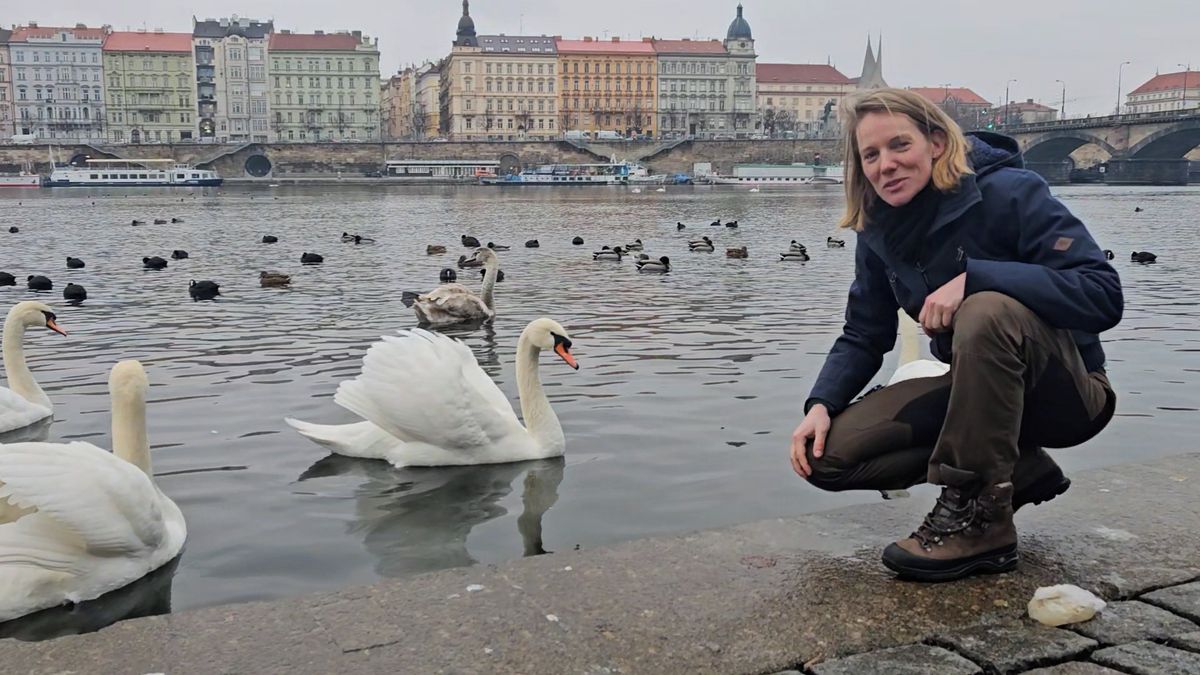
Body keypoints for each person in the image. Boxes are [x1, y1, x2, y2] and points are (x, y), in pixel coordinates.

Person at [789, 88, 1121, 582]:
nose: (886, 165)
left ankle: (978, 517)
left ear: (938, 143)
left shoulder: (1010, 192)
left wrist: (977, 279)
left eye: (900, 145)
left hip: (1068, 395)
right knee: (825, 459)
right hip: (977, 392)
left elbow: (1102, 295)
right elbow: (864, 332)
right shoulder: (877, 230)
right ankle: (1019, 470)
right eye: (870, 155)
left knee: (986, 309)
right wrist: (821, 403)